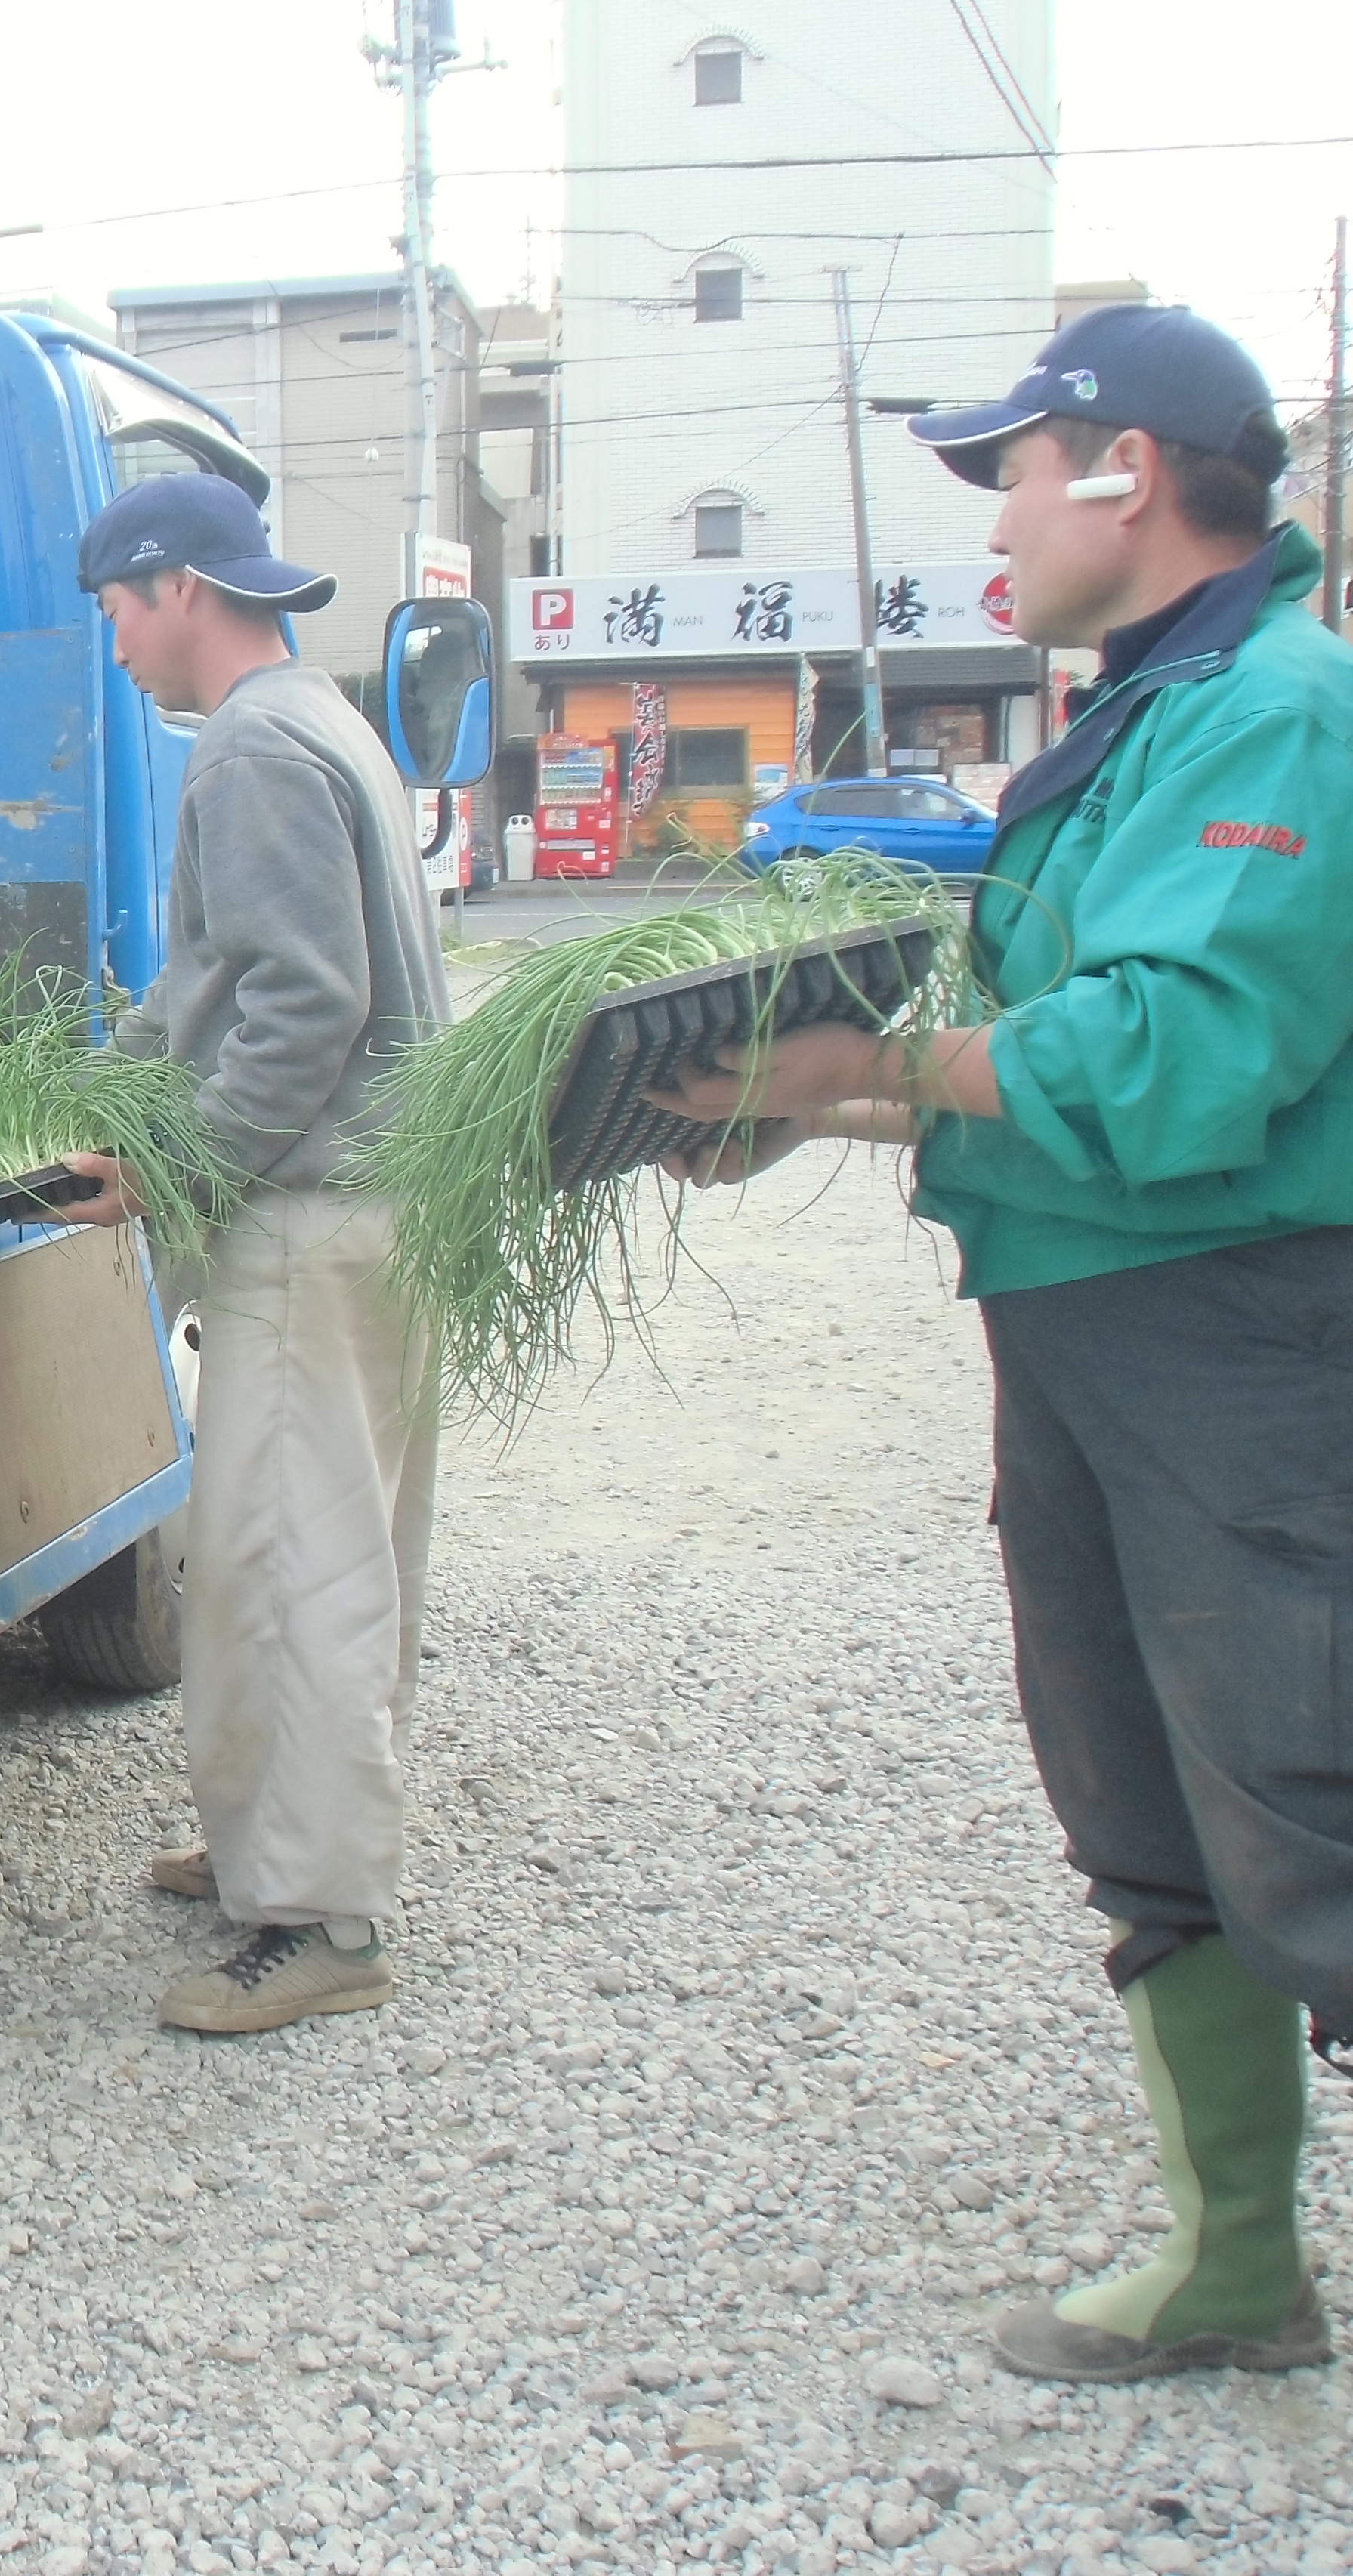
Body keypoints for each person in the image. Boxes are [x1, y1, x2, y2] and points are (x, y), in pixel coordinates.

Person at [647, 303, 1353, 2382]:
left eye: (1016, 473)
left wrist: (874, 1057)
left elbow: (1180, 1053)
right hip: (1078, 1323)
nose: (1000, 522)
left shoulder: (1277, 715)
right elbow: (1049, 1061)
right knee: (1140, 1790)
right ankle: (1238, 2262)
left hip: (1228, 1333)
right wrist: (794, 1092)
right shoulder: (1147, 713)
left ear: (1128, 469)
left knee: (1308, 1797)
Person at [54, 471, 451, 2037]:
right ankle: (260, 1846)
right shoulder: (324, 721)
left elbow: (303, 1006)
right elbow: (213, 979)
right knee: (289, 1556)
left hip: (312, 1210)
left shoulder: (251, 750)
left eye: (114, 616)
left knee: (296, 1571)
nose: (118, 650)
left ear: (174, 590)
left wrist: (165, 1170)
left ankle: (320, 1920)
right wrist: (106, 1091)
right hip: (378, 1204)